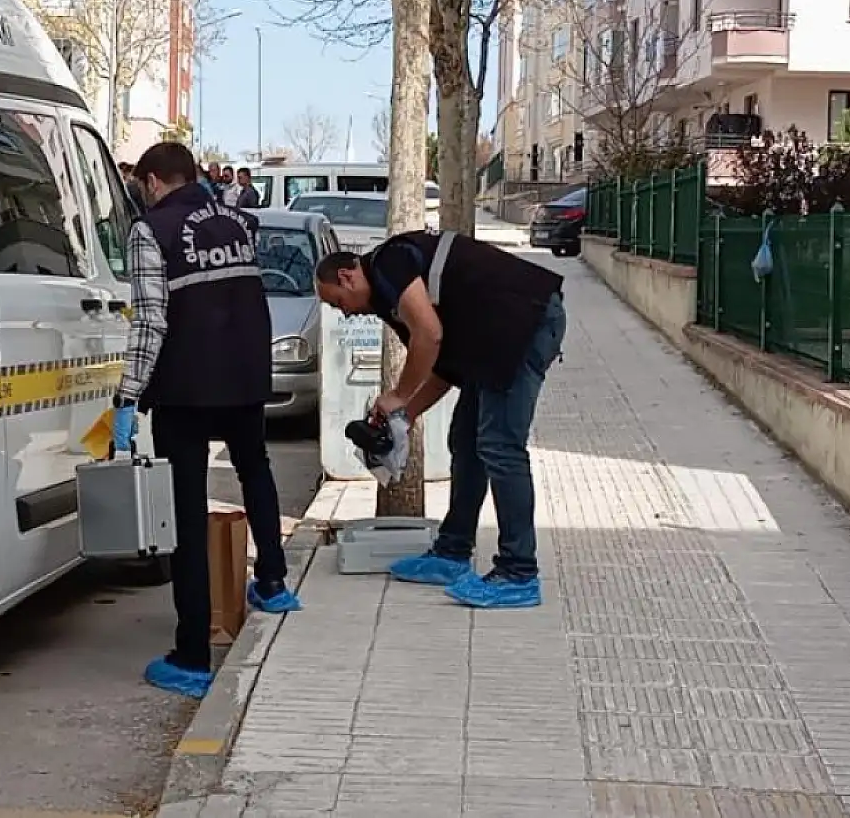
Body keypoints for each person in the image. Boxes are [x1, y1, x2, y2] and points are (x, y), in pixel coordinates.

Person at [114, 141, 302, 698]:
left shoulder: (153, 230)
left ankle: (193, 654)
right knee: (255, 468)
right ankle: (272, 581)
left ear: (150, 181)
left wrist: (128, 396)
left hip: (186, 387)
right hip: (244, 375)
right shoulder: (239, 220)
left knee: (188, 515)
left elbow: (150, 320)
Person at [313, 231, 567, 609]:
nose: (345, 312)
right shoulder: (388, 298)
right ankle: (452, 551)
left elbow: (429, 336)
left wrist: (398, 396)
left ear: (348, 276)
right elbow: (444, 365)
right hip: (493, 335)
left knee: (500, 447)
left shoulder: (389, 263)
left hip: (524, 322)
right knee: (465, 442)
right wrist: (406, 415)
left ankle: (519, 572)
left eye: (338, 302)